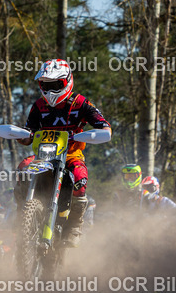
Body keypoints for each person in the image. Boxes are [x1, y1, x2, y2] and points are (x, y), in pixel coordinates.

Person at [14, 58, 111, 246]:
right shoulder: (38, 105)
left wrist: (100, 132)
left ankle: (74, 225)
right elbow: (29, 133)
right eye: (45, 85)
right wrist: (21, 136)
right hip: (43, 155)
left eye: (55, 85)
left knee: (80, 177)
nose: (50, 91)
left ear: (66, 81)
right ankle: (22, 214)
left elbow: (104, 125)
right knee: (23, 167)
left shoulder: (81, 103)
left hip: (71, 155)